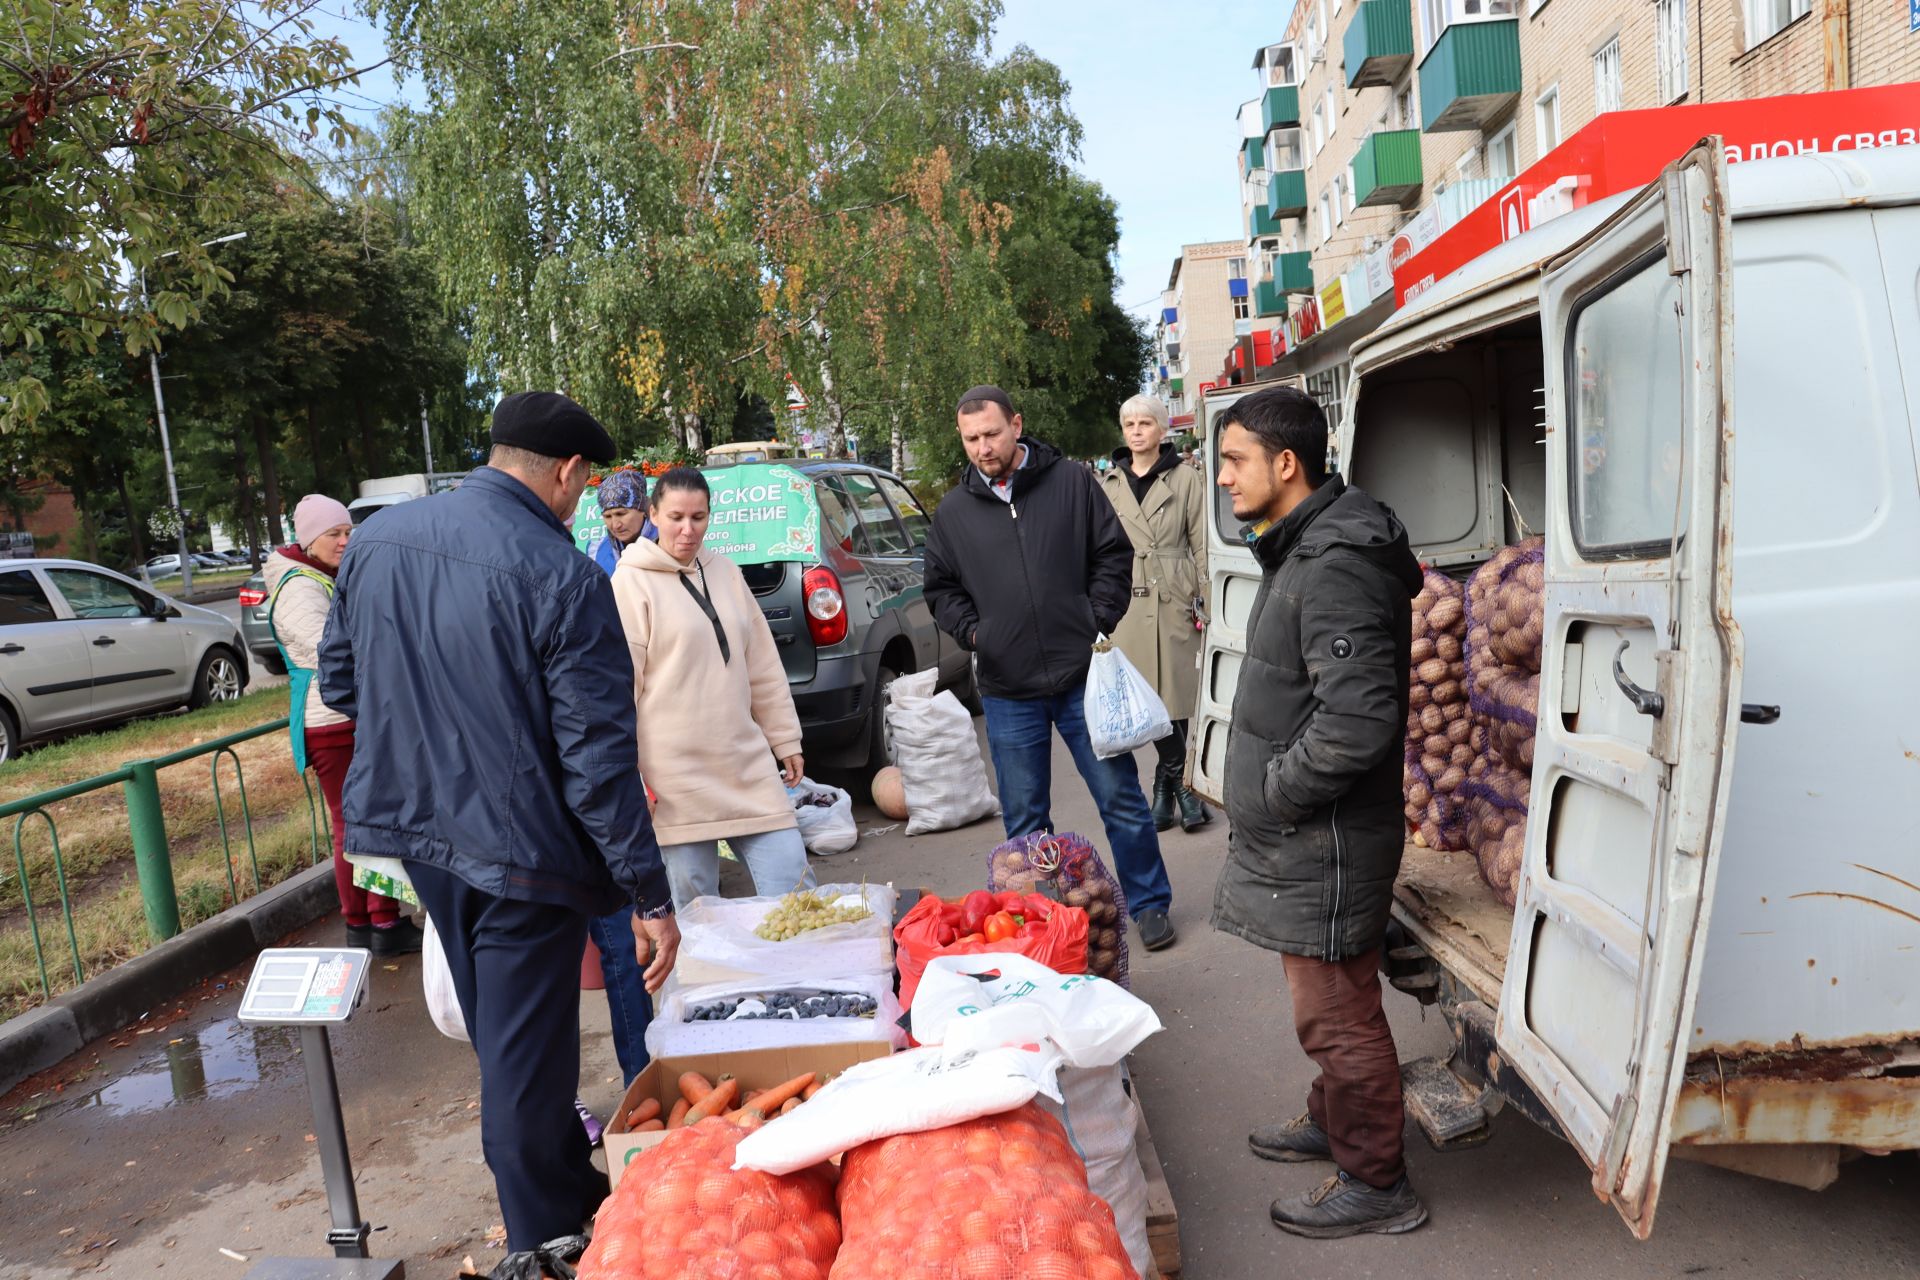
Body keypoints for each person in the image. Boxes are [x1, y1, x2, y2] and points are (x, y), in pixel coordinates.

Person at [317, 391, 679, 1272]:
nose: (582, 499)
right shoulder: (564, 576)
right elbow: (598, 763)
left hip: (420, 835)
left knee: (510, 1039)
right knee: (518, 1072)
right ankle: (545, 1245)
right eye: (584, 483)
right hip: (522, 858)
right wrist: (649, 893)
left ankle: (573, 1194)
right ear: (565, 473)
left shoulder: (379, 544)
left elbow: (340, 679)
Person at [1210, 386, 1427, 1237]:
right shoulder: (1307, 544)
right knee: (1334, 999)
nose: (1223, 479)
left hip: (1326, 835)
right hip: (1317, 836)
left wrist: (1274, 793)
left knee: (1336, 1011)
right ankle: (1333, 1118)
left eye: (1234, 461)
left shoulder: (1333, 563)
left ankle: (1376, 1181)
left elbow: (1357, 722)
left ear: (1285, 464)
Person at [923, 385, 1177, 952]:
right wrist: (976, 633)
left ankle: (1150, 904)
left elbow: (1112, 553)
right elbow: (940, 589)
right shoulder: (954, 513)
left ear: (1016, 424)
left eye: (992, 434)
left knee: (1120, 798)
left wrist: (1097, 617)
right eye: (971, 439)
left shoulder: (1070, 484)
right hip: (1009, 690)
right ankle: (1043, 924)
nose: (983, 448)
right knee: (1026, 821)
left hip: (1082, 676)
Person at [610, 466, 815, 909]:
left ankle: (806, 980)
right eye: (677, 517)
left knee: (797, 888)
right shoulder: (630, 582)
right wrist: (631, 776)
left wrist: (785, 738)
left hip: (745, 763)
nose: (688, 530)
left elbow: (762, 662)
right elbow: (620, 689)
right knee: (696, 916)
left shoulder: (724, 571)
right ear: (653, 514)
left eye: (698, 517)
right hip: (673, 778)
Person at [264, 496, 421, 956]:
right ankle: (372, 922)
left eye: (347, 531)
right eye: (334, 534)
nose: (344, 540)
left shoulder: (319, 576)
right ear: (310, 539)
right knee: (354, 825)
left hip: (345, 713)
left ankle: (377, 919)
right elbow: (331, 651)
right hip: (332, 719)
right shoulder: (298, 586)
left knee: (368, 820)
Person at [1100, 394, 1211, 835]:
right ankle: (1183, 786)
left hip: (1174, 589)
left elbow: (1201, 541)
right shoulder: (1109, 484)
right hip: (1127, 595)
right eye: (1129, 423)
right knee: (1146, 698)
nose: (1136, 430)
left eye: (1145, 422)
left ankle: (1165, 792)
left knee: (1176, 693)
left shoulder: (1187, 479)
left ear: (1162, 430)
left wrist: (1207, 595)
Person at [582, 465, 657, 1109]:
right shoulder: (588, 566)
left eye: (623, 512)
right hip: (600, 777)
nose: (616, 523)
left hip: (627, 752)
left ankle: (655, 1074)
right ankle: (643, 1082)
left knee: (638, 931)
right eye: (607, 515)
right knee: (625, 936)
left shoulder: (664, 560)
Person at [592, 468, 654, 575]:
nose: (616, 525)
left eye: (621, 514)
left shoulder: (668, 544)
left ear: (643, 509)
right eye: (607, 516)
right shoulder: (597, 551)